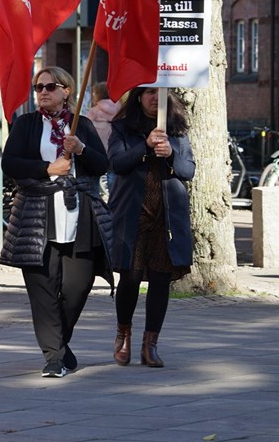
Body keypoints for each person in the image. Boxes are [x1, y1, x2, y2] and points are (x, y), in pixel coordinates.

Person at [0, 67, 113, 378]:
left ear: (67, 90)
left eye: (50, 86)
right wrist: (49, 167)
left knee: (77, 287)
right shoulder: (26, 124)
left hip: (79, 216)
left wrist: (82, 150)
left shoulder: (83, 125)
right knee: (43, 290)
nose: (43, 92)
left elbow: (102, 165)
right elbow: (9, 162)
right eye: (38, 87)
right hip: (37, 215)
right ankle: (53, 357)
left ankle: (59, 345)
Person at [107, 87, 195, 368]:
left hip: (166, 217)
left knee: (160, 279)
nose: (154, 97)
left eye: (159, 92)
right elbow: (117, 164)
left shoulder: (177, 130)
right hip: (134, 213)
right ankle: (123, 334)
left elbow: (188, 170)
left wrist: (170, 154)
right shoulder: (122, 128)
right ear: (137, 97)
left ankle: (151, 343)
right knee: (130, 278)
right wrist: (144, 146)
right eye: (147, 92)